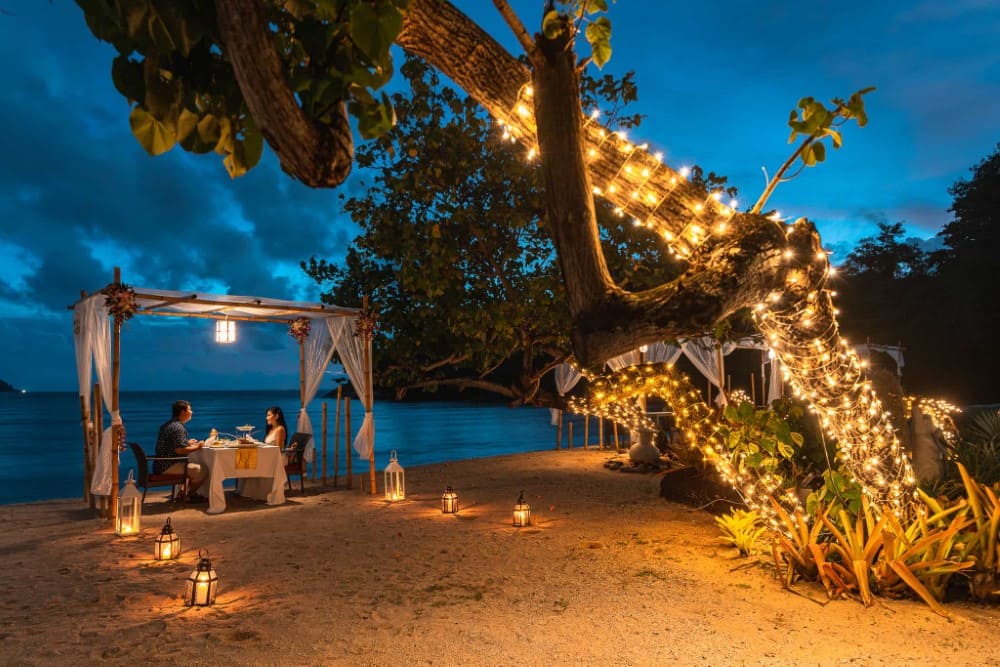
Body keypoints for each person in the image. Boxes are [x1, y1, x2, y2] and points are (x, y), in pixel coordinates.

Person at [154, 399, 208, 501]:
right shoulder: (178, 427)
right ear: (183, 412)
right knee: (203, 470)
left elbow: (173, 444)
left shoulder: (169, 424)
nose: (192, 412)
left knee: (194, 465)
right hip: (168, 466)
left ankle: (183, 493)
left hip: (160, 464)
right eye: (190, 409)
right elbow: (180, 450)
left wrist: (188, 442)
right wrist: (198, 446)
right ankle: (188, 495)